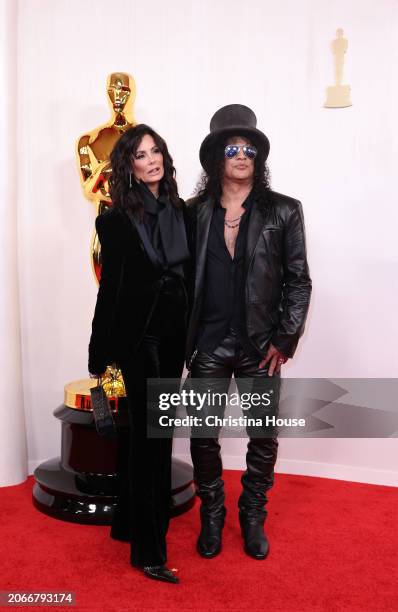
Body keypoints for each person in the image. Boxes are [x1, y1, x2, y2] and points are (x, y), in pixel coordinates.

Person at [185, 104, 312, 560]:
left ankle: (253, 514)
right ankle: (212, 514)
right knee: (203, 436)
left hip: (261, 346)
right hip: (208, 344)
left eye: (250, 148)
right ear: (217, 156)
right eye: (233, 148)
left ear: (258, 158)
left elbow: (299, 280)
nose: (242, 155)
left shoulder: (284, 211)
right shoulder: (192, 213)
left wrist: (285, 338)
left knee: (263, 436)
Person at [88, 124, 189, 584]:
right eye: (142, 155)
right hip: (136, 342)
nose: (152, 160)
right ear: (127, 165)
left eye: (157, 151)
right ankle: (148, 552)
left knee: (143, 439)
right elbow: (109, 292)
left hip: (173, 341)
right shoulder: (114, 220)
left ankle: (127, 525)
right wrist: (100, 360)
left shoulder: (181, 213)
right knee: (152, 443)